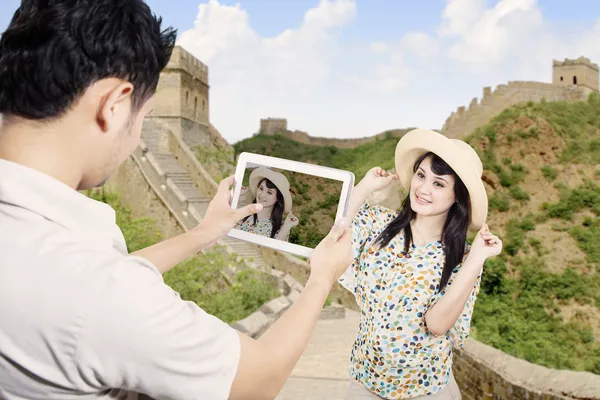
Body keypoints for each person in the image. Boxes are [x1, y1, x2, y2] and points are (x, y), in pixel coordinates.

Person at [0, 1, 353, 399]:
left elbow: (92, 277)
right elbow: (259, 379)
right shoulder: (102, 296)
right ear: (114, 104)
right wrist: (323, 276)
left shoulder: (64, 263)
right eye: (145, 117)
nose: (138, 136)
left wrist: (204, 233)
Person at [338, 128, 503, 399]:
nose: (423, 189)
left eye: (439, 184)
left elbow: (437, 324)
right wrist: (365, 187)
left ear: (457, 197)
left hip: (426, 389)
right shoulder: (379, 224)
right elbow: (331, 241)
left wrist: (476, 260)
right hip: (364, 382)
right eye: (421, 175)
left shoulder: (462, 257)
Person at [235, 167, 299, 242]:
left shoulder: (280, 227)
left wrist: (287, 226)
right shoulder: (241, 209)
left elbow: (274, 251)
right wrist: (236, 195)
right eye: (261, 188)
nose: (262, 195)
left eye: (269, 192)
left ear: (278, 198)